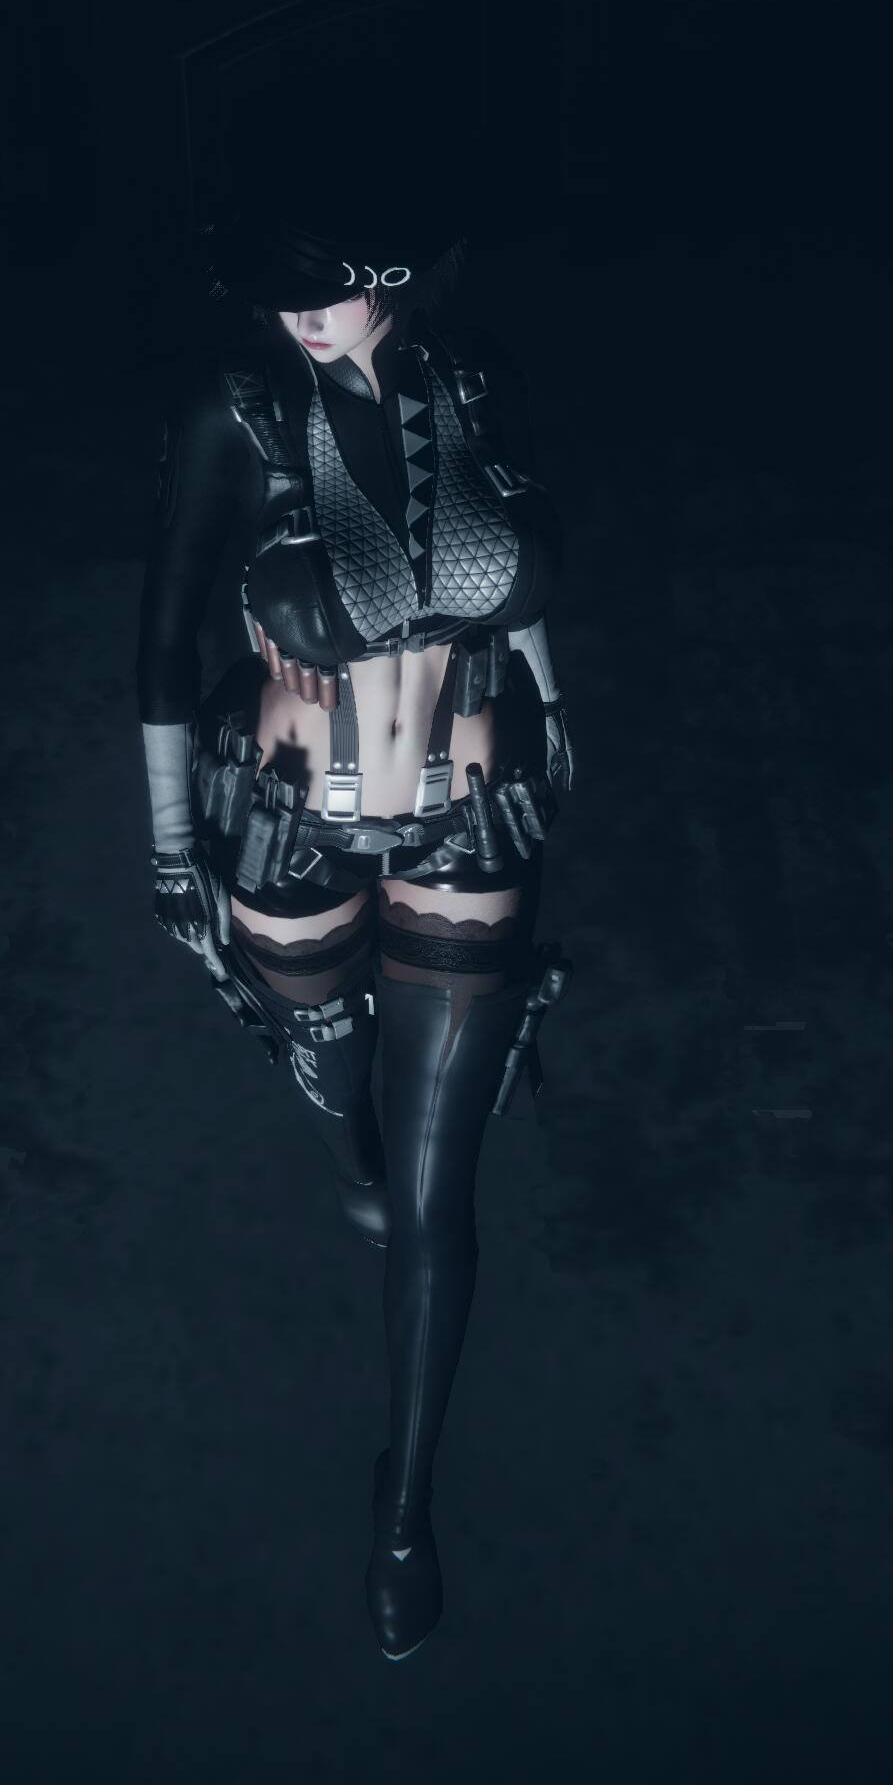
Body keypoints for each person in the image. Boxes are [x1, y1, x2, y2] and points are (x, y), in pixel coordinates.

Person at [134, 199, 577, 1662]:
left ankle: (405, 1508)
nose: (298, 317)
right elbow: (164, 637)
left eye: (323, 289)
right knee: (334, 1079)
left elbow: (520, 571)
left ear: (394, 273)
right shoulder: (240, 412)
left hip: (469, 818)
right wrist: (168, 842)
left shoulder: (482, 381)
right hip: (290, 817)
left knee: (442, 1194)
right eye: (279, 295)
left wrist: (555, 710)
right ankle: (349, 1155)